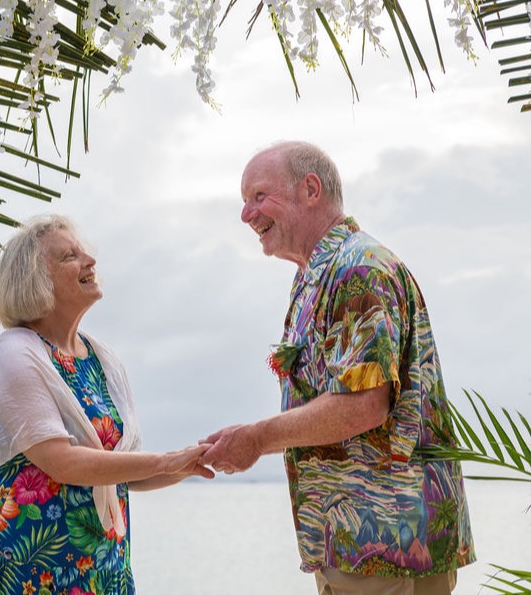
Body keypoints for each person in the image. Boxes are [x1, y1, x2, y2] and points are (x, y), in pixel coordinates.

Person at [201, 141, 475, 594]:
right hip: (357, 543)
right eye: (244, 201)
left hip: (387, 541)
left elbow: (364, 405)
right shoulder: (318, 275)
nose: (246, 215)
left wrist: (257, 438)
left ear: (311, 189)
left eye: (258, 197)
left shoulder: (358, 269)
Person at [0, 214, 213, 595]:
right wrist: (166, 460)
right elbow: (61, 462)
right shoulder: (15, 353)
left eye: (85, 253)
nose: (90, 262)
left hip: (101, 566)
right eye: (70, 257)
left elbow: (120, 471)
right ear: (35, 280)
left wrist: (189, 464)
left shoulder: (102, 359)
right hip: (31, 568)